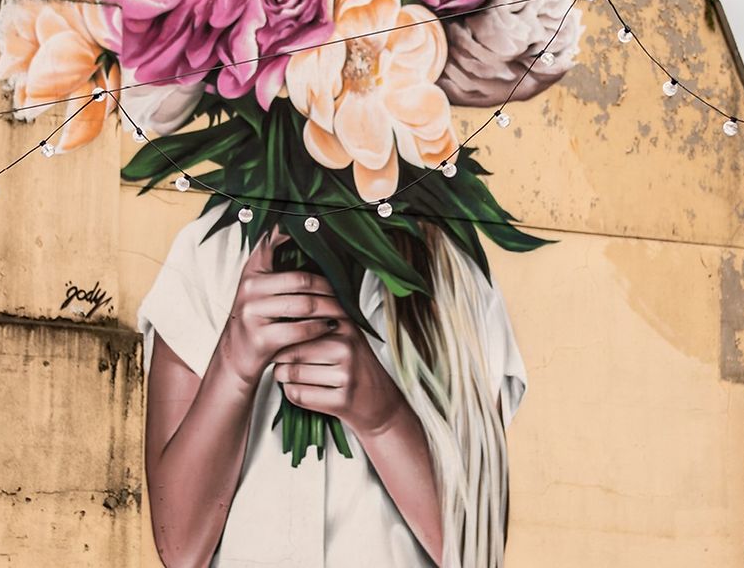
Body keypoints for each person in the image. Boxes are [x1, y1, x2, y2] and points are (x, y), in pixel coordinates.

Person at [138, 207, 526, 568]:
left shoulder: (454, 275)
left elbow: (479, 551)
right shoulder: (210, 252)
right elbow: (179, 547)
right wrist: (234, 367)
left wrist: (385, 419)